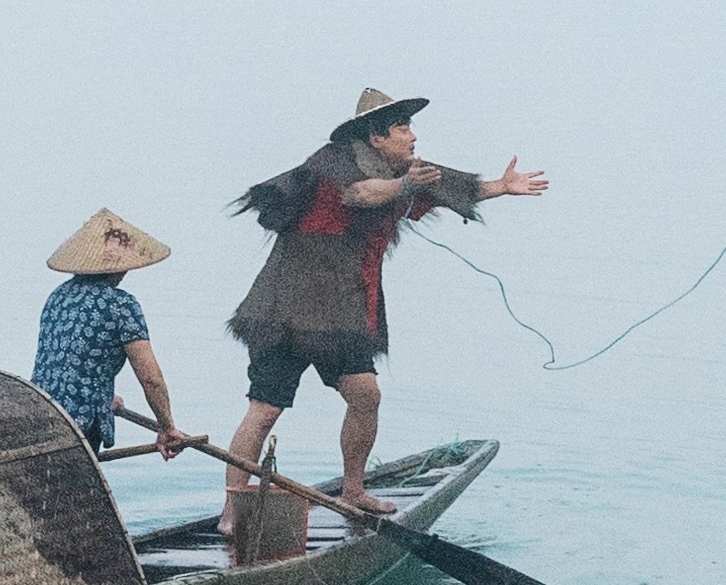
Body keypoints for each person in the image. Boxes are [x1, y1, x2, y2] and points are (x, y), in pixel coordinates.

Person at [222, 86, 548, 542]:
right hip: (286, 308)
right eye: (403, 128)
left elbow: (455, 188)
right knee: (265, 409)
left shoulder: (405, 170)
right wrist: (403, 186)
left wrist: (502, 186)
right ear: (376, 137)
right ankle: (231, 509)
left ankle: (353, 490)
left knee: (366, 397)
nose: (412, 136)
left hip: (343, 312)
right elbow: (360, 194)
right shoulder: (333, 161)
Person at [28, 210, 180, 457]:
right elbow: (150, 379)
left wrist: (105, 396)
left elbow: (69, 361)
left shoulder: (58, 296)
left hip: (40, 411)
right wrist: (167, 426)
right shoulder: (121, 305)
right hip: (79, 424)